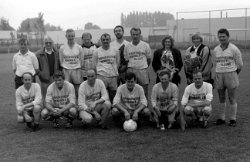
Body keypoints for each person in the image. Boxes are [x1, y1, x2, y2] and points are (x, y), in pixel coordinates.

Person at [213, 28, 243, 127]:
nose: (221, 38)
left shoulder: (234, 49)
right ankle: (221, 118)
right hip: (219, 74)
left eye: (223, 36)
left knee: (231, 98)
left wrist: (233, 73)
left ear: (228, 37)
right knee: (221, 98)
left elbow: (239, 65)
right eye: (220, 36)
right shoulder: (216, 49)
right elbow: (215, 63)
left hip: (231, 74)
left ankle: (233, 119)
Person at [124, 27, 152, 99]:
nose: (135, 36)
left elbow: (148, 59)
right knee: (131, 89)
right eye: (133, 34)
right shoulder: (127, 46)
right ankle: (132, 107)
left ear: (140, 35)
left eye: (137, 34)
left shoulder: (145, 45)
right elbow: (126, 60)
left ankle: (145, 107)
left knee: (144, 90)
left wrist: (143, 66)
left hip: (142, 69)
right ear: (131, 35)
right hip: (131, 69)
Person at [93, 33, 120, 103]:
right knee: (101, 95)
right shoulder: (96, 51)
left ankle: (114, 109)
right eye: (103, 40)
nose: (105, 41)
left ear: (110, 40)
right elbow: (94, 65)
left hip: (112, 76)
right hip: (101, 76)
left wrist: (112, 70)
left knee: (113, 95)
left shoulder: (116, 50)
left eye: (107, 39)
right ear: (101, 41)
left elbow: (118, 63)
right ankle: (103, 110)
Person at [59, 29, 83, 96]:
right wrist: (66, 66)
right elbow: (61, 60)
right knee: (66, 87)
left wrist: (77, 67)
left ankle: (78, 103)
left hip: (77, 69)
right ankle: (68, 103)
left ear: (74, 36)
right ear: (66, 36)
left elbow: (81, 60)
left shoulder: (79, 47)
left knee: (78, 87)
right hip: (66, 70)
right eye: (69, 36)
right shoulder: (62, 48)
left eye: (72, 36)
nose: (71, 38)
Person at [36, 36, 60, 102]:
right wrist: (41, 75)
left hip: (54, 78)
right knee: (45, 97)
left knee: (54, 96)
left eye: (50, 43)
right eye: (46, 43)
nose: (48, 44)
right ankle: (45, 110)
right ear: (44, 44)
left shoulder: (57, 53)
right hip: (44, 79)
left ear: (52, 43)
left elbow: (59, 65)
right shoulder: (38, 54)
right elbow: (36, 67)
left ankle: (54, 110)